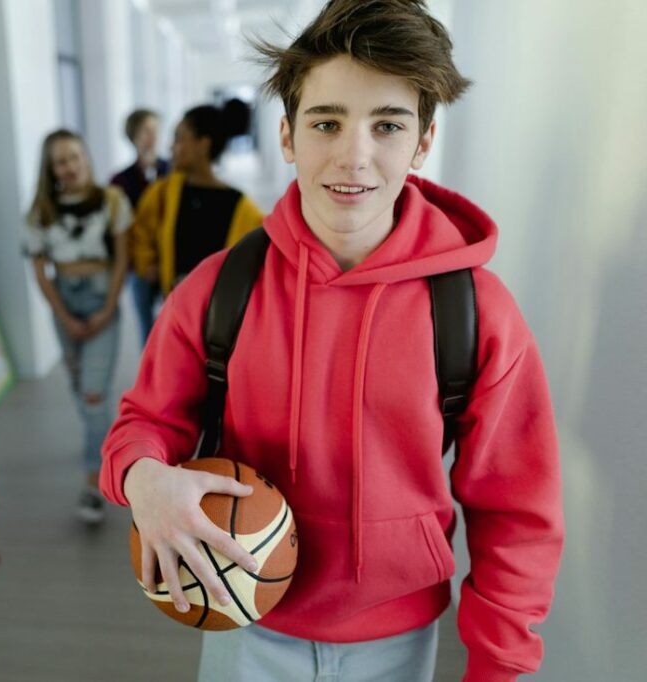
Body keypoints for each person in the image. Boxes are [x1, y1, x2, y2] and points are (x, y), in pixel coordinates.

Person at [100, 1, 564, 681]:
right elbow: (144, 422)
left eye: (387, 125)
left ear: (423, 141)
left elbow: (517, 509)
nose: (355, 156)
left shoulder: (474, 312)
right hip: (238, 619)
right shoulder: (217, 289)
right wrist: (143, 478)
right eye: (327, 123)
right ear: (287, 136)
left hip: (398, 640)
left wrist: (500, 665)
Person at [25, 130, 132, 524]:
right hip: (64, 302)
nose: (69, 167)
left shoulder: (112, 201)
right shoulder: (41, 210)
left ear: (86, 157)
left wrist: (108, 308)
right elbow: (40, 271)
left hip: (102, 297)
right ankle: (98, 440)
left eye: (74, 157)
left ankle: (95, 481)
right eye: (60, 161)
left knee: (92, 394)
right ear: (51, 169)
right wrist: (63, 315)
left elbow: (122, 259)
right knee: (78, 387)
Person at [130, 100, 264, 300]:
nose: (171, 147)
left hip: (218, 318)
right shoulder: (165, 192)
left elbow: (254, 264)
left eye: (178, 139)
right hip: (175, 308)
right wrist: (147, 264)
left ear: (203, 144)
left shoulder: (242, 208)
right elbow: (141, 230)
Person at [110, 109, 170, 345]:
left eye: (155, 131)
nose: (152, 136)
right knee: (147, 325)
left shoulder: (173, 171)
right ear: (133, 136)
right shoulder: (120, 181)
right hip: (140, 266)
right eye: (146, 131)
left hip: (170, 259)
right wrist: (143, 263)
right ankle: (151, 377)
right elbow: (123, 230)